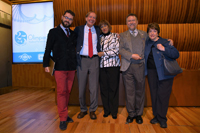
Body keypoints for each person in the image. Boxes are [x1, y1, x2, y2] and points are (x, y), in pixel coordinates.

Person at [43, 10, 77, 130]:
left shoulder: (73, 34)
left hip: (72, 67)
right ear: (62, 17)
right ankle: (63, 118)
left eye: (70, 19)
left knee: (67, 91)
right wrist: (45, 64)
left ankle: (65, 114)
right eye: (66, 17)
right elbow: (47, 48)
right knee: (61, 92)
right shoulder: (53, 32)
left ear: (72, 21)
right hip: (60, 67)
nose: (68, 20)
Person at [144, 23, 179, 128]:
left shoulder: (165, 42)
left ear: (158, 32)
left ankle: (162, 118)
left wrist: (164, 49)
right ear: (148, 33)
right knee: (154, 95)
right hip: (151, 73)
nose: (152, 33)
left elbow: (176, 54)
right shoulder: (146, 43)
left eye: (154, 31)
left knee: (163, 96)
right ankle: (156, 116)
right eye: (150, 31)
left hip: (164, 73)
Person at [119, 13, 147, 124]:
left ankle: (139, 114)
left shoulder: (144, 34)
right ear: (126, 23)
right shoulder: (122, 35)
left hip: (140, 66)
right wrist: (131, 55)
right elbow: (120, 49)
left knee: (140, 91)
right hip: (127, 67)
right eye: (129, 21)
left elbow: (155, 39)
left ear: (137, 22)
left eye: (133, 20)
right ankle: (131, 114)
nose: (131, 22)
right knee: (129, 92)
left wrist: (167, 41)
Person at [74, 11, 100, 120]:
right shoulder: (78, 29)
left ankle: (93, 110)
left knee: (94, 88)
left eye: (94, 17)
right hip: (82, 60)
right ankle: (83, 109)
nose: (92, 19)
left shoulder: (98, 29)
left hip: (94, 59)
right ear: (86, 18)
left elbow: (107, 32)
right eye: (90, 17)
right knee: (81, 86)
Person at [98, 20, 120, 119]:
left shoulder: (115, 36)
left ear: (109, 26)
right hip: (102, 67)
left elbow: (117, 51)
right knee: (104, 89)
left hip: (113, 66)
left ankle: (114, 111)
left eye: (105, 25)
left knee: (113, 89)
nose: (104, 28)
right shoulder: (99, 38)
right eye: (102, 26)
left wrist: (104, 53)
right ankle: (106, 110)